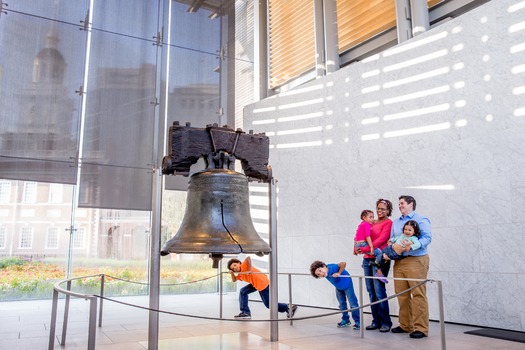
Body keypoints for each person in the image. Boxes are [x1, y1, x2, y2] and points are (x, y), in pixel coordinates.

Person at [390, 195, 432, 339]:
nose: (400, 206)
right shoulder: (395, 223)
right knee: (401, 294)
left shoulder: (421, 220)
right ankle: (405, 325)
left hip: (417, 259)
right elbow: (393, 240)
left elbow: (427, 238)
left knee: (418, 293)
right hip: (399, 262)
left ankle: (421, 328)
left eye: (402, 203)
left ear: (411, 204)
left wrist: (411, 246)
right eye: (399, 203)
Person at [358, 198, 393, 332]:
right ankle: (376, 321)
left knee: (379, 291)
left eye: (383, 209)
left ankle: (386, 322)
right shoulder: (370, 222)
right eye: (378, 208)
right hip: (367, 260)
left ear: (388, 210)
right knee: (371, 292)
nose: (379, 211)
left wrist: (364, 249)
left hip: (380, 261)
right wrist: (357, 247)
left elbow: (380, 240)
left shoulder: (388, 223)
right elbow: (362, 235)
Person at [228, 256, 297, 319]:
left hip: (262, 283)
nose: (235, 268)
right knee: (243, 291)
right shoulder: (240, 274)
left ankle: (288, 307)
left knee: (268, 304)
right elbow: (234, 280)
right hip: (256, 284)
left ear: (238, 263)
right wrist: (232, 273)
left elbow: (248, 258)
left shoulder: (244, 265)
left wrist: (249, 270)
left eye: (235, 265)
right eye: (233, 269)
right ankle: (245, 312)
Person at [309, 260, 360, 329]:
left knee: (353, 303)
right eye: (318, 274)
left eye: (320, 270)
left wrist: (339, 273)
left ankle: (358, 321)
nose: (321, 274)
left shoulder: (332, 268)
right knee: (342, 304)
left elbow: (343, 263)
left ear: (324, 266)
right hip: (338, 287)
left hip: (347, 284)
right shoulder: (325, 273)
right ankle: (345, 320)